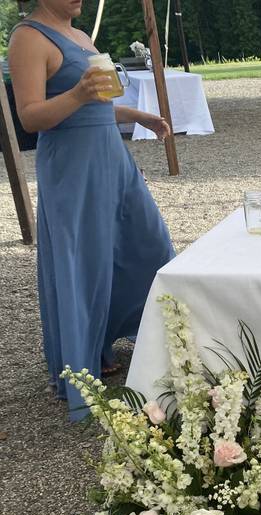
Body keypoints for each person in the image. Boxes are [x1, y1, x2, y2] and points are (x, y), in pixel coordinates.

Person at [8, 0, 176, 418]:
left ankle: (147, 337)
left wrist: (137, 115)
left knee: (149, 245)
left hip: (112, 160)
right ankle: (83, 359)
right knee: (84, 259)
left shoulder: (80, 36)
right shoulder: (28, 37)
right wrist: (79, 91)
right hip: (72, 166)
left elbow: (95, 105)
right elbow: (30, 117)